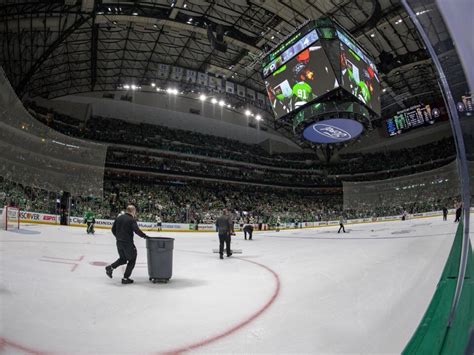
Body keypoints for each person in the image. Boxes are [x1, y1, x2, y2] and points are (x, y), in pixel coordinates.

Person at [105, 205, 149, 284]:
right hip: (127, 244)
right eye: (135, 212)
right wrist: (145, 236)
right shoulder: (131, 220)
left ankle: (110, 267)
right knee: (132, 259)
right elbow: (136, 230)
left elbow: (112, 229)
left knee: (123, 259)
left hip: (119, 242)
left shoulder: (119, 218)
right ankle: (125, 278)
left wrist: (118, 237)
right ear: (133, 211)